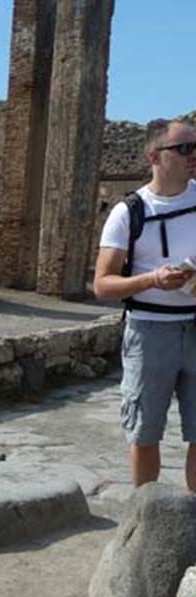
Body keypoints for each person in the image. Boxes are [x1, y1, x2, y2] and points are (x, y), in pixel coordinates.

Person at [94, 118, 196, 490]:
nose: (193, 155)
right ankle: (147, 517)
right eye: (184, 148)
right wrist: (152, 279)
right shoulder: (129, 212)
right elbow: (103, 284)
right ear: (155, 156)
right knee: (145, 432)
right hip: (149, 332)